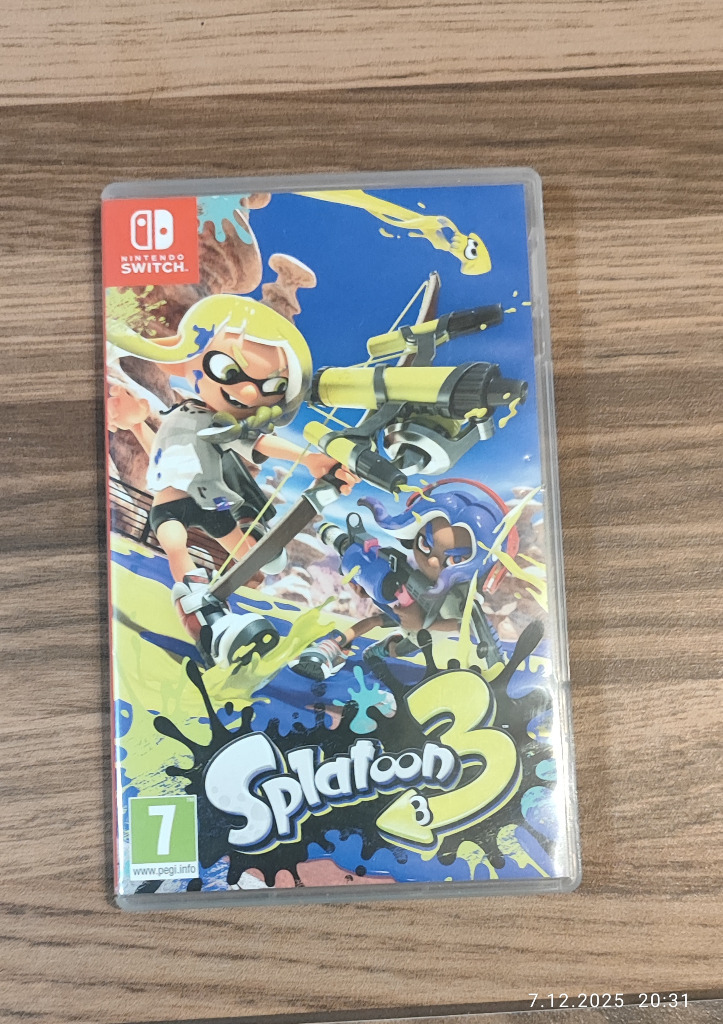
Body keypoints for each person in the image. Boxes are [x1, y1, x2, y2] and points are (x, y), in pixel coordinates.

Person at [292, 483, 514, 681]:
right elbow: (388, 592)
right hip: (406, 613)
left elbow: (466, 627)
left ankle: (381, 650)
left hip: (424, 634)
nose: (432, 561)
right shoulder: (407, 573)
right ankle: (333, 646)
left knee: (397, 649)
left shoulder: (461, 597)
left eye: (455, 559)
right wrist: (368, 589)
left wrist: (423, 624)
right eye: (425, 545)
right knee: (374, 621)